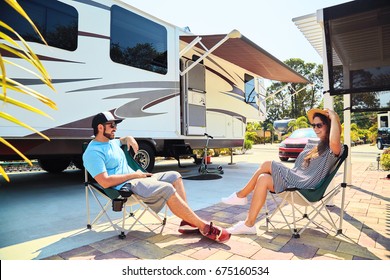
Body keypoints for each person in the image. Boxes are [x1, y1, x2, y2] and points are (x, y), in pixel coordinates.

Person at [83, 111, 230, 243]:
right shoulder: (93, 153)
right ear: (100, 128)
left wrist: (128, 138)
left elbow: (121, 140)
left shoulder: (111, 142)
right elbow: (105, 181)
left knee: (175, 175)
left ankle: (187, 221)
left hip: (139, 179)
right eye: (111, 125)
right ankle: (203, 226)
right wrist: (135, 174)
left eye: (116, 124)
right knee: (166, 188)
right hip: (125, 187)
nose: (115, 128)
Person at [221, 108, 343, 235]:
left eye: (319, 125)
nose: (315, 129)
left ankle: (241, 195)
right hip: (297, 180)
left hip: (305, 186)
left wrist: (334, 116)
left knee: (267, 164)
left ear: (329, 126)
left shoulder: (333, 148)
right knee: (263, 178)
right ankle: (249, 224)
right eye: (313, 125)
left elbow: (334, 140)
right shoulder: (317, 146)